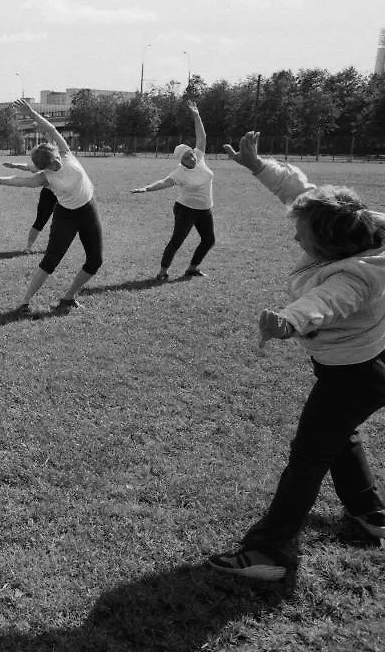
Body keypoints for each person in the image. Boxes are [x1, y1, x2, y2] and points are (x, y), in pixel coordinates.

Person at [207, 131, 385, 582]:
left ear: (327, 246)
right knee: (338, 436)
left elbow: (323, 303)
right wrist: (257, 165)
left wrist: (286, 320)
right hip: (363, 366)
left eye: (302, 236)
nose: (294, 237)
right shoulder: (353, 225)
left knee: (308, 457)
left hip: (354, 374)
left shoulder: (356, 277)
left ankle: (268, 553)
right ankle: (371, 513)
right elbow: (302, 193)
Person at [0, 99, 103, 315]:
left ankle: (68, 297)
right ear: (44, 167)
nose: (56, 165)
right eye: (51, 165)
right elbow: (20, 181)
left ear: (55, 153)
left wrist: (33, 113)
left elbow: (50, 129)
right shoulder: (44, 176)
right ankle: (24, 302)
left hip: (88, 209)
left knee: (95, 260)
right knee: (51, 260)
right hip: (66, 216)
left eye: (55, 160)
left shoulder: (65, 152)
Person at [131, 101, 215, 280]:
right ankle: (162, 272)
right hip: (186, 209)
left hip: (205, 209)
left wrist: (196, 115)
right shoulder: (179, 173)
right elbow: (164, 182)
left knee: (209, 240)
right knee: (177, 241)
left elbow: (202, 137)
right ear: (181, 161)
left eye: (191, 154)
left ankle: (192, 268)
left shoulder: (200, 157)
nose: (191, 157)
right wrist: (146, 188)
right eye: (187, 157)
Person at [1, 160, 58, 253]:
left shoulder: (65, 162)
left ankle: (54, 247)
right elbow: (30, 167)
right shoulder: (48, 161)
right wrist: (15, 165)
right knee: (40, 220)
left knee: (59, 222)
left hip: (63, 195)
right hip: (48, 194)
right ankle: (28, 247)